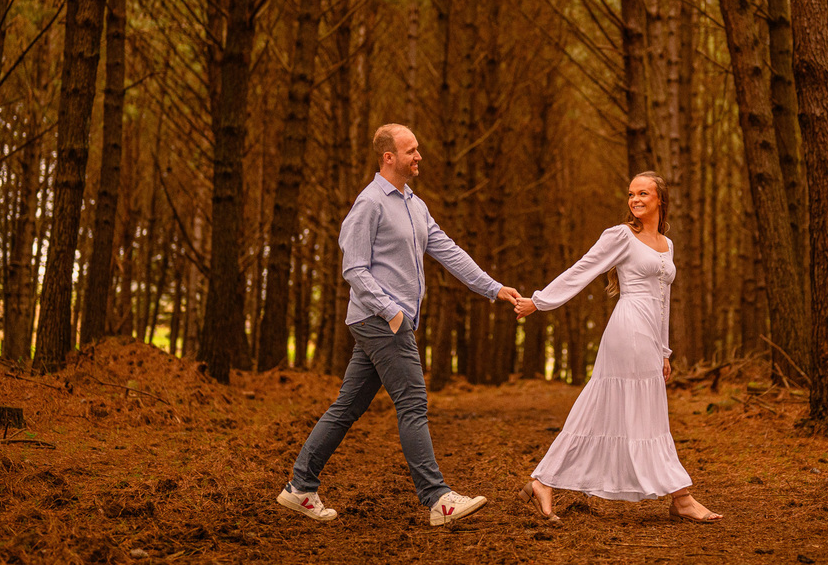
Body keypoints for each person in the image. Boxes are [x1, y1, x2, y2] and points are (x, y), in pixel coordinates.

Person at [277, 123, 522, 527]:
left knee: (347, 407)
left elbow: (449, 251)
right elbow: (354, 268)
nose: (419, 156)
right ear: (388, 157)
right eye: (411, 151)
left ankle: (300, 486)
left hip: (385, 320)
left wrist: (493, 288)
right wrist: (391, 311)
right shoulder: (369, 203)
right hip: (380, 320)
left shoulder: (414, 205)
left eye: (418, 149)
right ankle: (438, 498)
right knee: (412, 403)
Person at [512, 172, 722, 524]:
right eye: (631, 194)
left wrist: (665, 351)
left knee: (636, 412)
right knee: (637, 411)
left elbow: (664, 300)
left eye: (643, 193)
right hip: (628, 329)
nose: (635, 199)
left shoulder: (667, 244)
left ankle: (543, 482)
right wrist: (540, 301)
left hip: (650, 335)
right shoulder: (622, 235)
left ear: (660, 199)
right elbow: (583, 269)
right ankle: (681, 497)